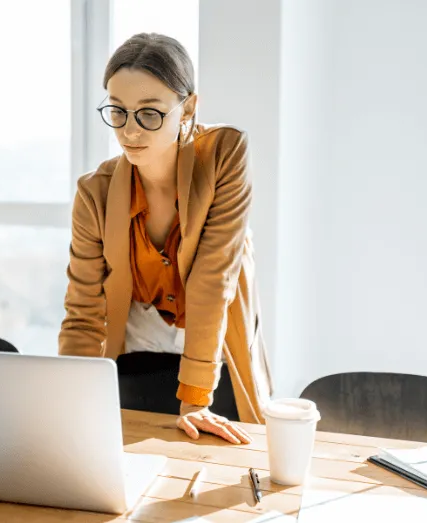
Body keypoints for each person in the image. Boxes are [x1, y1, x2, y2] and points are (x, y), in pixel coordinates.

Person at [59, 33, 272, 444]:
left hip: (214, 351)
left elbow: (214, 280)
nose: (130, 131)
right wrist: (68, 403)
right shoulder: (95, 192)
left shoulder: (224, 155)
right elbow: (83, 314)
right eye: (117, 111)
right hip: (138, 350)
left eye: (150, 114)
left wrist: (194, 401)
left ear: (188, 107)